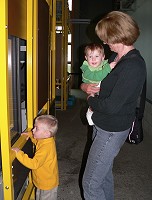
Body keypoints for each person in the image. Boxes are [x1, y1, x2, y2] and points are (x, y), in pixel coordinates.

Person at [81, 11, 146, 200]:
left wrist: (89, 100)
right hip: (101, 124)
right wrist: (85, 86)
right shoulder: (114, 59)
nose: (105, 43)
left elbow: (111, 106)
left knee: (91, 183)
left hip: (112, 129)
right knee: (104, 175)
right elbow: (95, 80)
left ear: (117, 36)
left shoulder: (133, 66)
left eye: (106, 38)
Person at [12, 115, 59, 200]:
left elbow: (34, 164)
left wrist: (19, 153)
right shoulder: (45, 139)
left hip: (47, 185)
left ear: (46, 133)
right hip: (41, 182)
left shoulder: (46, 148)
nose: (33, 130)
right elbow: (37, 140)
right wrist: (30, 134)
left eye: (36, 128)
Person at [80, 43, 116, 125]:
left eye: (97, 56)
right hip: (93, 91)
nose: (93, 59)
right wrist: (108, 68)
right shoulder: (86, 69)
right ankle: (90, 114)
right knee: (93, 104)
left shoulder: (104, 64)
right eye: (90, 57)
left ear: (103, 57)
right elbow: (97, 77)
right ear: (86, 58)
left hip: (101, 91)